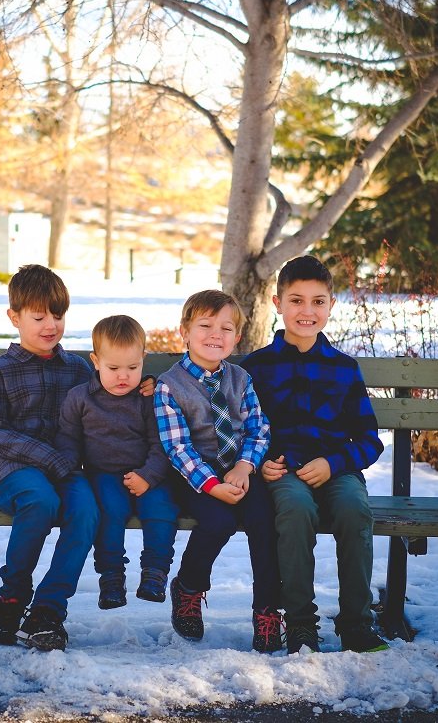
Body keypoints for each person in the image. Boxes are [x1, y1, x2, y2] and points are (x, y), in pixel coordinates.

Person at [242, 255, 389, 655]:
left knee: (354, 510)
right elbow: (242, 427)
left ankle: (357, 623)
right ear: (277, 303)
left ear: (331, 305)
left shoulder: (343, 368)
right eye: (296, 300)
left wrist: (334, 463)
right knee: (294, 510)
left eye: (318, 301)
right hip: (284, 470)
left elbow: (369, 438)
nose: (307, 311)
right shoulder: (255, 367)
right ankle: (301, 624)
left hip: (337, 468)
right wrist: (262, 461)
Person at [154, 290, 283, 654]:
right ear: (185, 331)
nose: (216, 335)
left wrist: (245, 466)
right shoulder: (169, 386)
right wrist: (211, 485)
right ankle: (189, 587)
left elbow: (259, 428)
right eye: (205, 326)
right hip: (194, 477)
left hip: (241, 470)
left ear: (237, 337)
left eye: (226, 328)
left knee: (263, 520)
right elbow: (177, 448)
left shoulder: (241, 379)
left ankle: (267, 611)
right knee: (219, 522)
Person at [0, 264, 99, 652]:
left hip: (66, 468)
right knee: (41, 501)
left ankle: (48, 610)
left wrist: (141, 387)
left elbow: (108, 403)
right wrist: (48, 458)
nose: (51, 325)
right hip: (13, 468)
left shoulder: (78, 368)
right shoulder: (1, 371)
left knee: (85, 511)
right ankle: (12, 597)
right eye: (38, 316)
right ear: (14, 317)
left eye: (58, 315)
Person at [56, 315, 179, 610]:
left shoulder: (149, 399)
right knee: (108, 512)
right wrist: (69, 473)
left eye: (133, 368)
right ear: (95, 361)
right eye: (113, 368)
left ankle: (155, 571)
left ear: (143, 360)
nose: (123, 376)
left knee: (162, 508)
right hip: (104, 475)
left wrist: (148, 475)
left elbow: (161, 444)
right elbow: (68, 440)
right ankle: (111, 577)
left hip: (150, 473)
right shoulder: (80, 399)